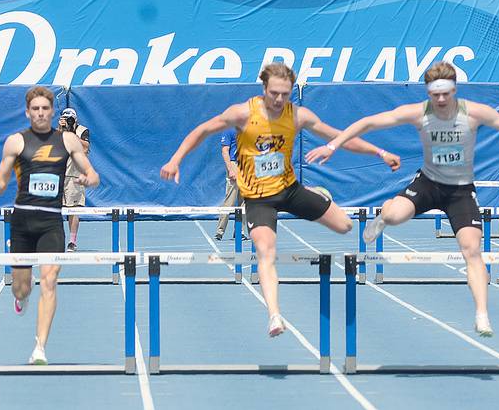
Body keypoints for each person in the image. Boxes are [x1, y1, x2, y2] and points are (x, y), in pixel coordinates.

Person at [306, 61, 499, 337]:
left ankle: (482, 315)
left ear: (454, 90)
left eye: (445, 94)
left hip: (460, 191)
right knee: (393, 216)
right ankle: (382, 217)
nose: (439, 100)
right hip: (428, 183)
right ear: (428, 92)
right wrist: (333, 145)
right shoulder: (418, 113)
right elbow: (368, 122)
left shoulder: (473, 113)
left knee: (472, 251)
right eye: (434, 94)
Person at [160, 62, 401, 337]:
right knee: (266, 251)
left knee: (345, 226)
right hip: (258, 198)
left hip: (290, 190)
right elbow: (203, 130)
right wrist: (176, 159)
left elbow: (339, 137)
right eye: (274, 93)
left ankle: (320, 195)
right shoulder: (242, 113)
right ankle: (274, 315)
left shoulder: (298, 115)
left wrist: (380, 153)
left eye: (285, 94)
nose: (278, 99)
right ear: (264, 88)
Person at [0, 86, 99, 364]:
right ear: (28, 112)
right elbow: (0, 185)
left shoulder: (68, 141)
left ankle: (39, 348)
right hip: (22, 223)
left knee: (51, 281)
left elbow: (93, 175)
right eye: (36, 109)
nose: (41, 113)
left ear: (52, 111)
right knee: (21, 288)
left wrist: (86, 180)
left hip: (51, 222)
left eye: (45, 108)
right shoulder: (16, 142)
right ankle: (22, 289)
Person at [59, 108, 90, 252]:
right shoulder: (58, 131)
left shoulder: (82, 131)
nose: (68, 121)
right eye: (65, 118)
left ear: (75, 119)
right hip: (58, 175)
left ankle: (72, 241)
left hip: (74, 175)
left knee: (74, 210)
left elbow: (85, 148)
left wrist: (71, 133)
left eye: (70, 119)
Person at [215, 128, 248, 241]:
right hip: (234, 164)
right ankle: (220, 231)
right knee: (230, 200)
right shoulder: (229, 130)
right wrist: (230, 170)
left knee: (244, 201)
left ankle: (240, 231)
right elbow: (225, 151)